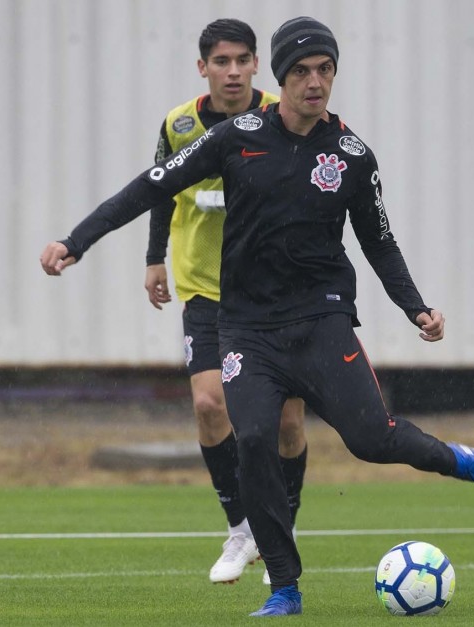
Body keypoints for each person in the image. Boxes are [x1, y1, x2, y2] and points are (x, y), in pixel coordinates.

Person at [40, 16, 474, 617]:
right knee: (252, 439)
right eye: (301, 71)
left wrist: (416, 308)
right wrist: (77, 241)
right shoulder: (237, 138)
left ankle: (462, 461)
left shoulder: (353, 154)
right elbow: (148, 187)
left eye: (325, 70)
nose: (314, 82)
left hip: (322, 321)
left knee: (373, 442)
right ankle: (285, 587)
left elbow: (378, 240)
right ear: (281, 78)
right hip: (246, 327)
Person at [43, 18, 309, 586]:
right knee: (210, 406)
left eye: (242, 60)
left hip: (271, 295)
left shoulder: (278, 117)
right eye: (221, 61)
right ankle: (241, 527)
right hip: (204, 290)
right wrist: (152, 257)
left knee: (287, 418)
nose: (232, 71)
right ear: (203, 67)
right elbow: (160, 188)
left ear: (257, 64)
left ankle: (280, 533)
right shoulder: (180, 124)